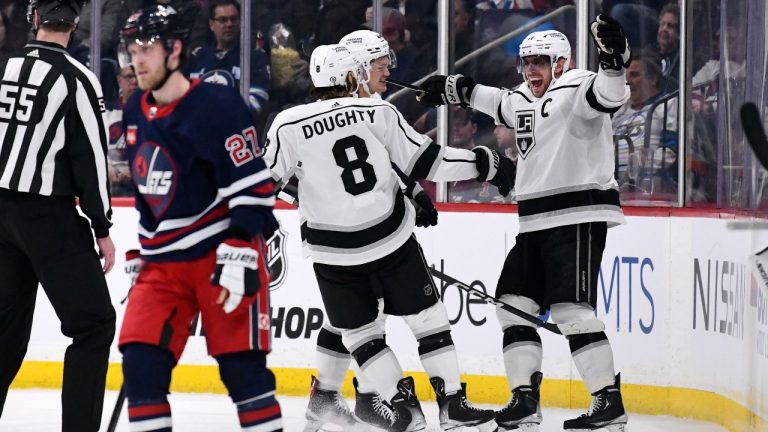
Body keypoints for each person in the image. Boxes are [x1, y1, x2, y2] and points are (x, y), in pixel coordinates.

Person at [264, 43, 513, 432]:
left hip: (333, 251)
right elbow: (429, 161)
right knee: (428, 320)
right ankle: (450, 401)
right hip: (390, 238)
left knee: (361, 333)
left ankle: (400, 404)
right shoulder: (378, 111)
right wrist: (484, 163)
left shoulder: (287, 123)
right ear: (353, 75)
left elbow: (265, 184)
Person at [416, 16, 632, 432]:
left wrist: (614, 60)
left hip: (577, 215)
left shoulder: (579, 85)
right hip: (533, 222)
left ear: (561, 63)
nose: (532, 69)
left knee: (572, 311)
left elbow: (610, 94)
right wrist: (454, 89)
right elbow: (495, 100)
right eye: (527, 61)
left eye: (541, 62)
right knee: (512, 305)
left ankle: (608, 401)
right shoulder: (521, 98)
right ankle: (524, 399)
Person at [116, 5, 282, 431]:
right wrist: (145, 246)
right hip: (163, 266)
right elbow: (149, 190)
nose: (137, 60)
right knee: (140, 367)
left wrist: (241, 244)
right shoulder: (135, 110)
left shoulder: (216, 105)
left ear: (175, 49)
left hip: (221, 255)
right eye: (133, 50)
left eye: (147, 48)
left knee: (243, 374)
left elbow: (254, 187)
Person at [302, 29, 440, 432]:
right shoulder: (337, 113)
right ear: (356, 69)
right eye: (379, 65)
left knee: (360, 315)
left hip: (367, 228)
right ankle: (342, 395)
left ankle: (349, 396)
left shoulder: (373, 108)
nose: (387, 72)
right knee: (357, 317)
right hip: (339, 231)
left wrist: (413, 191)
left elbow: (388, 163)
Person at [0, 1, 116, 431]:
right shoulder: (77, 79)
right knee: (94, 326)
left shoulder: (4, 68)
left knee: (4, 332)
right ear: (75, 24)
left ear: (34, 18)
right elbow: (91, 160)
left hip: (0, 217)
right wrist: (102, 226)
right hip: (47, 219)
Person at [185, 0, 271, 120]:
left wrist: (224, 117)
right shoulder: (198, 58)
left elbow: (259, 97)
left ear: (241, 22)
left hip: (236, 127)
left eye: (233, 19)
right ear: (211, 24)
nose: (229, 24)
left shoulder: (254, 56)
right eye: (223, 20)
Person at [612, 49, 677, 195]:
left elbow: (671, 152)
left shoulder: (668, 104)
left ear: (653, 79)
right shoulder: (619, 111)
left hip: (650, 189)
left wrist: (638, 167)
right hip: (614, 186)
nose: (627, 82)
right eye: (625, 76)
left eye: (634, 75)